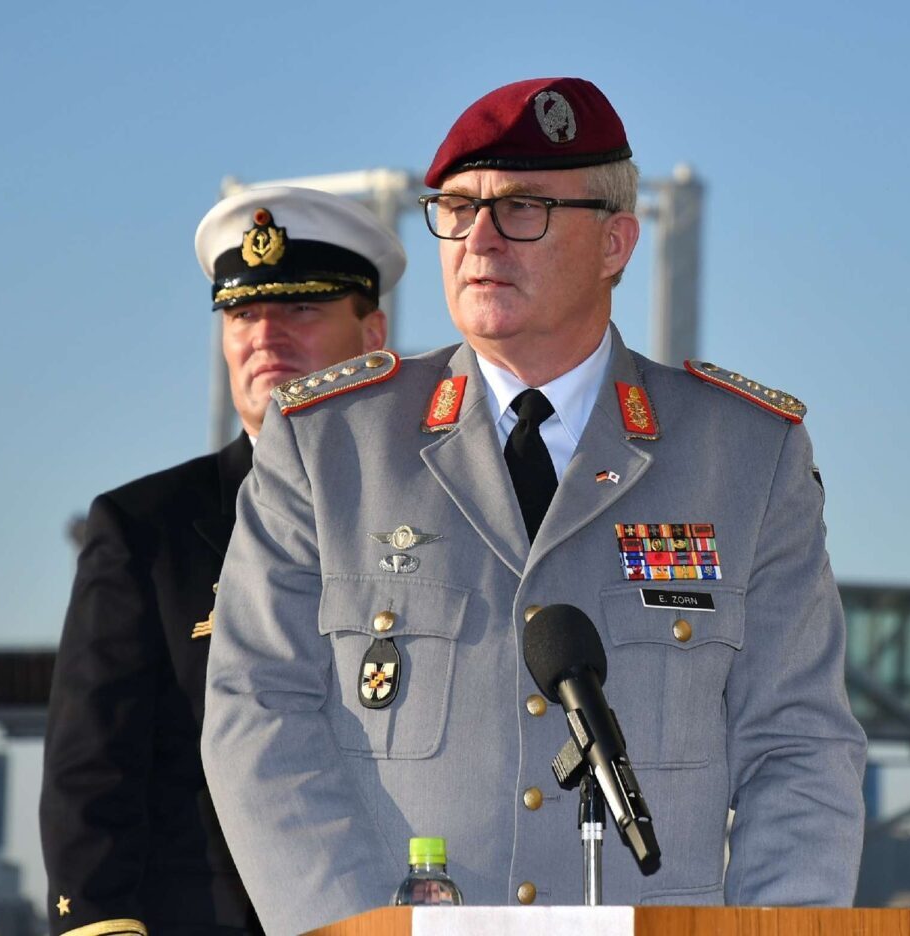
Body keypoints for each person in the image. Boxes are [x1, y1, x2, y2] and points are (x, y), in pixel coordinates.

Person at [202, 77, 867, 933]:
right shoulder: (329, 445)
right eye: (454, 207)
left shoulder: (744, 457)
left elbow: (801, 749)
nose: (478, 238)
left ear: (616, 242)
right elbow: (257, 718)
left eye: (520, 208)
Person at [41, 186, 401, 936]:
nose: (265, 335)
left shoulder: (438, 518)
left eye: (300, 309)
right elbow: (92, 776)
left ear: (373, 336)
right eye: (242, 314)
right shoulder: (145, 531)